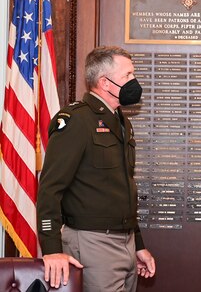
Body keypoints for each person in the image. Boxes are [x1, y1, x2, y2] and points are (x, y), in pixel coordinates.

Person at [37, 45, 156, 291]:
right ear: (105, 82)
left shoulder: (122, 121)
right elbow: (50, 188)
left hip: (125, 242)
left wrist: (138, 244)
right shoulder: (76, 121)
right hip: (92, 242)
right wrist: (51, 249)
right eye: (128, 76)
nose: (134, 81)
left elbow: (123, 189)